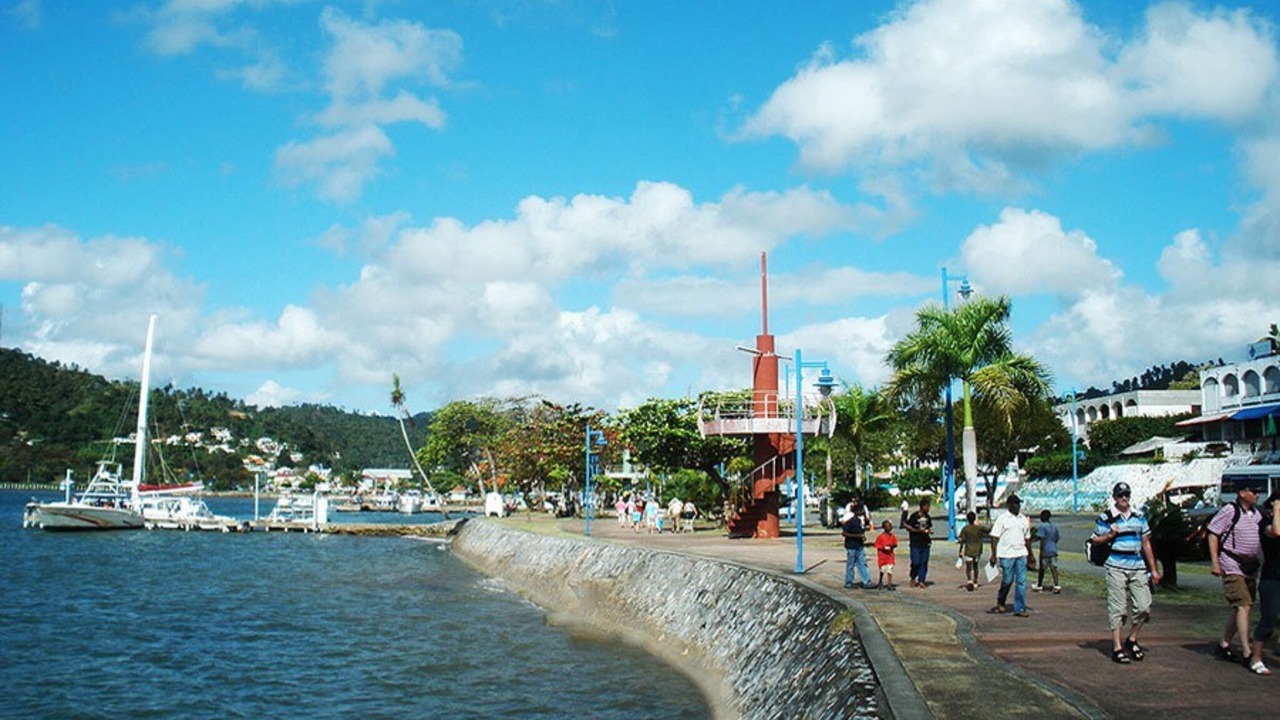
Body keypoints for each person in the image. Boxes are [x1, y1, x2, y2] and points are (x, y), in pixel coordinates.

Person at [1090, 481, 1161, 664]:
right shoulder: (1106, 517)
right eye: (1120, 495)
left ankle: (1132, 638)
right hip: (1116, 566)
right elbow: (1095, 540)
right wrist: (1110, 535)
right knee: (1118, 608)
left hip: (1137, 566)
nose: (1124, 498)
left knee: (1144, 606)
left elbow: (1146, 543)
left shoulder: (1139, 516)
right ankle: (1117, 647)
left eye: (1127, 495)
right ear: (1114, 497)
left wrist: (1153, 569)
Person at [1208, 483, 1262, 665]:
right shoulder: (1230, 511)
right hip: (1231, 564)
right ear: (1242, 493)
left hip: (1250, 566)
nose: (1257, 494)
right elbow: (1213, 533)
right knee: (1243, 606)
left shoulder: (1256, 514)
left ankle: (1224, 643)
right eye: (1253, 491)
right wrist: (1215, 562)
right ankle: (1247, 651)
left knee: (1243, 607)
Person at [1249, 492, 1279, 675]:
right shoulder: (1265, 522)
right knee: (1269, 619)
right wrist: (1277, 509)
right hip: (1272, 577)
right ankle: (1256, 658)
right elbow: (1276, 532)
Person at [987, 495, 1032, 616]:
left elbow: (1027, 538)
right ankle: (1001, 599)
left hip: (1021, 553)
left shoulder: (1023, 519)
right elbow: (994, 537)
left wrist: (1031, 555)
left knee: (1022, 581)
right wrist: (993, 554)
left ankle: (1020, 608)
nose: (1018, 506)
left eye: (1019, 504)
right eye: (1015, 504)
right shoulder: (1002, 519)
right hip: (1006, 554)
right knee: (1007, 580)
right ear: (1009, 505)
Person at [842, 497, 874, 589]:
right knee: (850, 564)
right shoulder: (850, 521)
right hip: (851, 546)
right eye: (861, 511)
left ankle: (866, 581)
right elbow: (844, 533)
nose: (862, 512)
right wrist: (856, 536)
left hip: (859, 545)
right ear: (857, 512)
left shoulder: (859, 521)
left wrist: (862, 537)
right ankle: (848, 582)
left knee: (862, 563)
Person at [902, 498, 933, 588]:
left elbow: (929, 527)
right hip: (915, 543)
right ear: (922, 506)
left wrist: (928, 531)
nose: (928, 508)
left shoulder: (927, 517)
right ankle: (913, 577)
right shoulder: (914, 516)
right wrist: (917, 530)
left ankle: (922, 580)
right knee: (916, 562)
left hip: (925, 543)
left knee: (924, 562)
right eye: (927, 506)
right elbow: (906, 525)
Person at [1033, 509, 1062, 593]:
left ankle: (1039, 585)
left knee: (1042, 569)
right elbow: (1057, 538)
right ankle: (1056, 585)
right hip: (1053, 550)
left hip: (1045, 551)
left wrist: (1041, 552)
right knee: (1054, 568)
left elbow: (1042, 539)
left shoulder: (1042, 526)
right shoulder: (1054, 526)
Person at [957, 511, 985, 591]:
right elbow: (988, 530)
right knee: (976, 566)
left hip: (968, 550)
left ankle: (969, 580)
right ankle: (975, 581)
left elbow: (962, 540)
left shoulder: (965, 528)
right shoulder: (979, 528)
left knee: (968, 567)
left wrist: (960, 550)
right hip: (977, 550)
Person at [874, 520, 899, 590]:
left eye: (890, 526)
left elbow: (895, 544)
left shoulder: (892, 536)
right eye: (887, 526)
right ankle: (880, 581)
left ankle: (889, 584)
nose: (889, 528)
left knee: (889, 570)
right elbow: (877, 545)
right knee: (882, 570)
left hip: (890, 556)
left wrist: (891, 546)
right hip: (883, 557)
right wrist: (883, 548)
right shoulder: (880, 537)